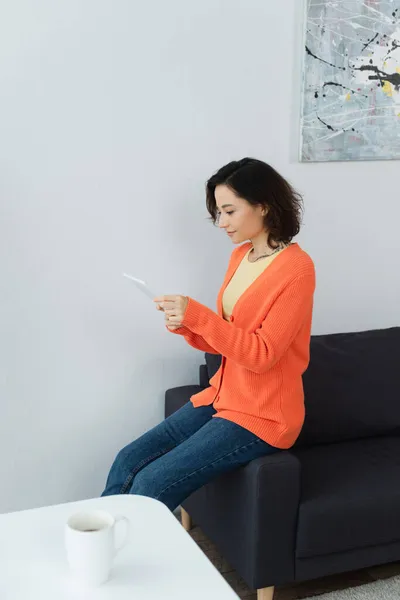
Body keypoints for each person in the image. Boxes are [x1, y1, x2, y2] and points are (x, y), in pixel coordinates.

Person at [101, 157, 316, 510]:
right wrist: (186, 324)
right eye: (218, 212)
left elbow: (262, 355)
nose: (221, 223)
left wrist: (199, 316)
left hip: (262, 415)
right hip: (222, 395)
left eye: (229, 211)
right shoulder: (240, 257)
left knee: (153, 482)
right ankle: (96, 545)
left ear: (262, 206)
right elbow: (228, 338)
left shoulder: (297, 269)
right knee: (128, 459)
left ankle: (120, 556)